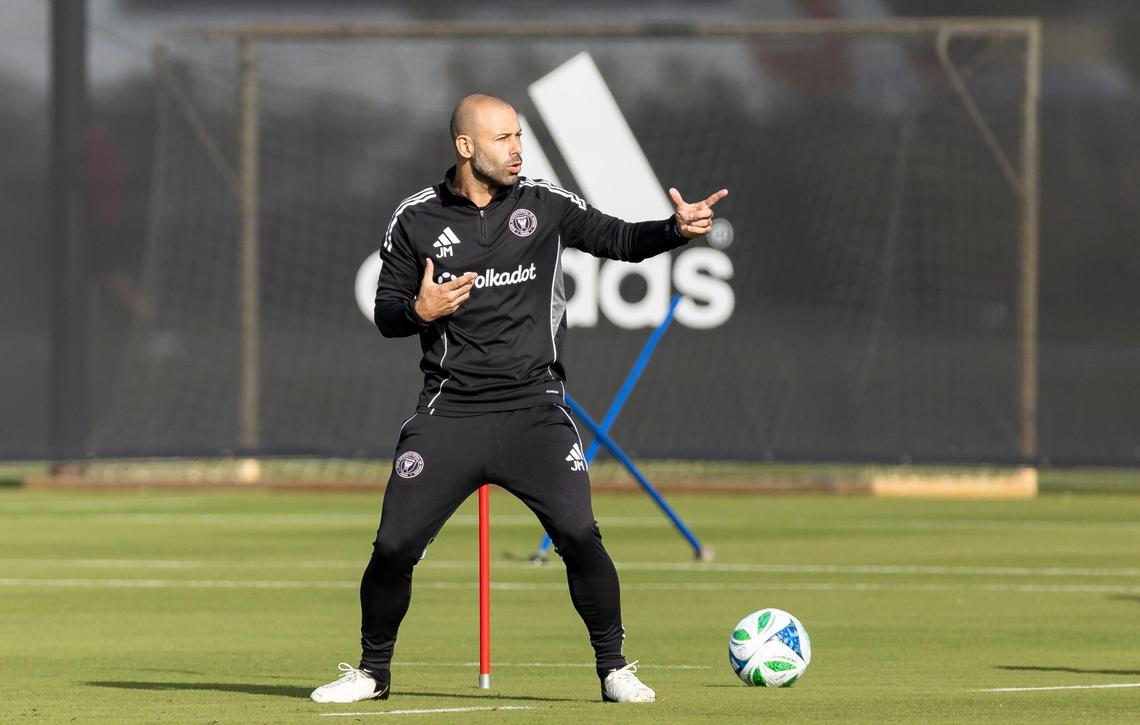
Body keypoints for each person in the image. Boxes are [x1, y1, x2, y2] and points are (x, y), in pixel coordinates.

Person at [311, 93, 727, 705]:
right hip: (449, 413)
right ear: (465, 147)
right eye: (502, 138)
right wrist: (418, 310)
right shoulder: (415, 218)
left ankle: (614, 670)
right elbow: (386, 314)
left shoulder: (546, 205)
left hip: (535, 411)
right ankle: (372, 673)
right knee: (393, 545)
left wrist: (674, 230)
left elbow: (619, 239)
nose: (516, 149)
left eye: (518, 136)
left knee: (580, 533)